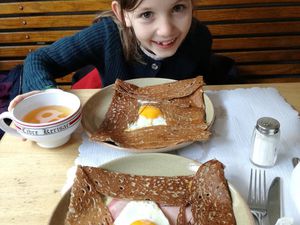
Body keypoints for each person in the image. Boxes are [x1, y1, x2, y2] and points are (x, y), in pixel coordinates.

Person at [8, 0, 236, 111]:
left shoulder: (200, 38)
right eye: (147, 14)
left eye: (178, 8)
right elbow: (39, 59)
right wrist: (48, 96)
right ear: (122, 14)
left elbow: (198, 90)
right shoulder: (105, 36)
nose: (166, 30)